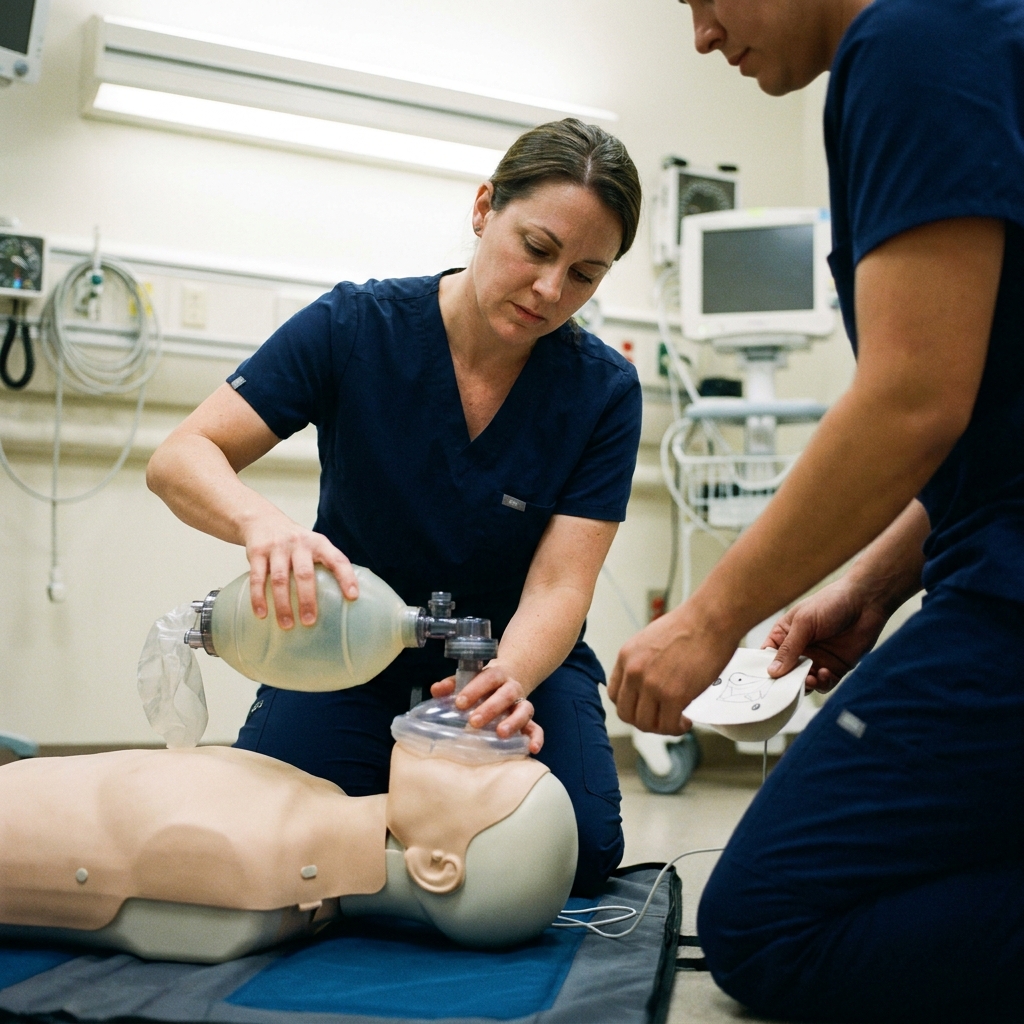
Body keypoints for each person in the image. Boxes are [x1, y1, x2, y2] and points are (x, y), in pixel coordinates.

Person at [609, 0, 1024, 1020]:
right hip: (994, 553)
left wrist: (707, 620)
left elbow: (912, 400)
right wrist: (870, 584)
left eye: (702, 0)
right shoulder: (966, 37)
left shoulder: (912, 41)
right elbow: (995, 421)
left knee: (766, 924)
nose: (701, 36)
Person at [148, 118, 643, 897]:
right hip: (340, 647)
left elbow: (559, 587)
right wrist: (262, 525)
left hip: (509, 661)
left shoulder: (601, 392)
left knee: (573, 852)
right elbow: (182, 456)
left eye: (585, 274)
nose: (552, 291)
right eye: (537, 249)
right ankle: (407, 825)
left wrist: (502, 683)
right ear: (485, 208)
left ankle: (386, 828)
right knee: (266, 832)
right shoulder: (356, 329)